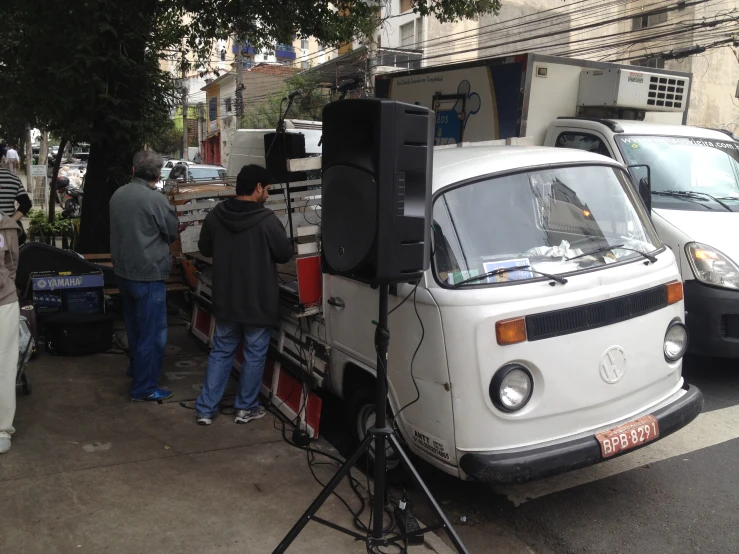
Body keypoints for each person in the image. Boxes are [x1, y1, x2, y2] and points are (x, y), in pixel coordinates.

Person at [195, 165, 293, 425]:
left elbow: (204, 247)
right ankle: (245, 408)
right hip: (258, 301)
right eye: (267, 189)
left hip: (226, 297)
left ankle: (205, 410)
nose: (268, 194)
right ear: (258, 187)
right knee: (254, 353)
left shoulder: (216, 215)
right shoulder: (267, 220)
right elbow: (284, 254)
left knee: (222, 350)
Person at [110, 151, 180, 402]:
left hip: (123, 271)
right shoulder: (155, 200)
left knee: (135, 328)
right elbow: (172, 232)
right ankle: (145, 387)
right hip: (148, 274)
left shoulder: (118, 195)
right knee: (152, 334)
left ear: (133, 170)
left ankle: (136, 369)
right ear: (158, 174)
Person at [0, 211, 21, 453]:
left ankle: (3, 428)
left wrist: (6, 285)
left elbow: (12, 264)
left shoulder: (7, 226)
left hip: (4, 302)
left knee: (5, 364)